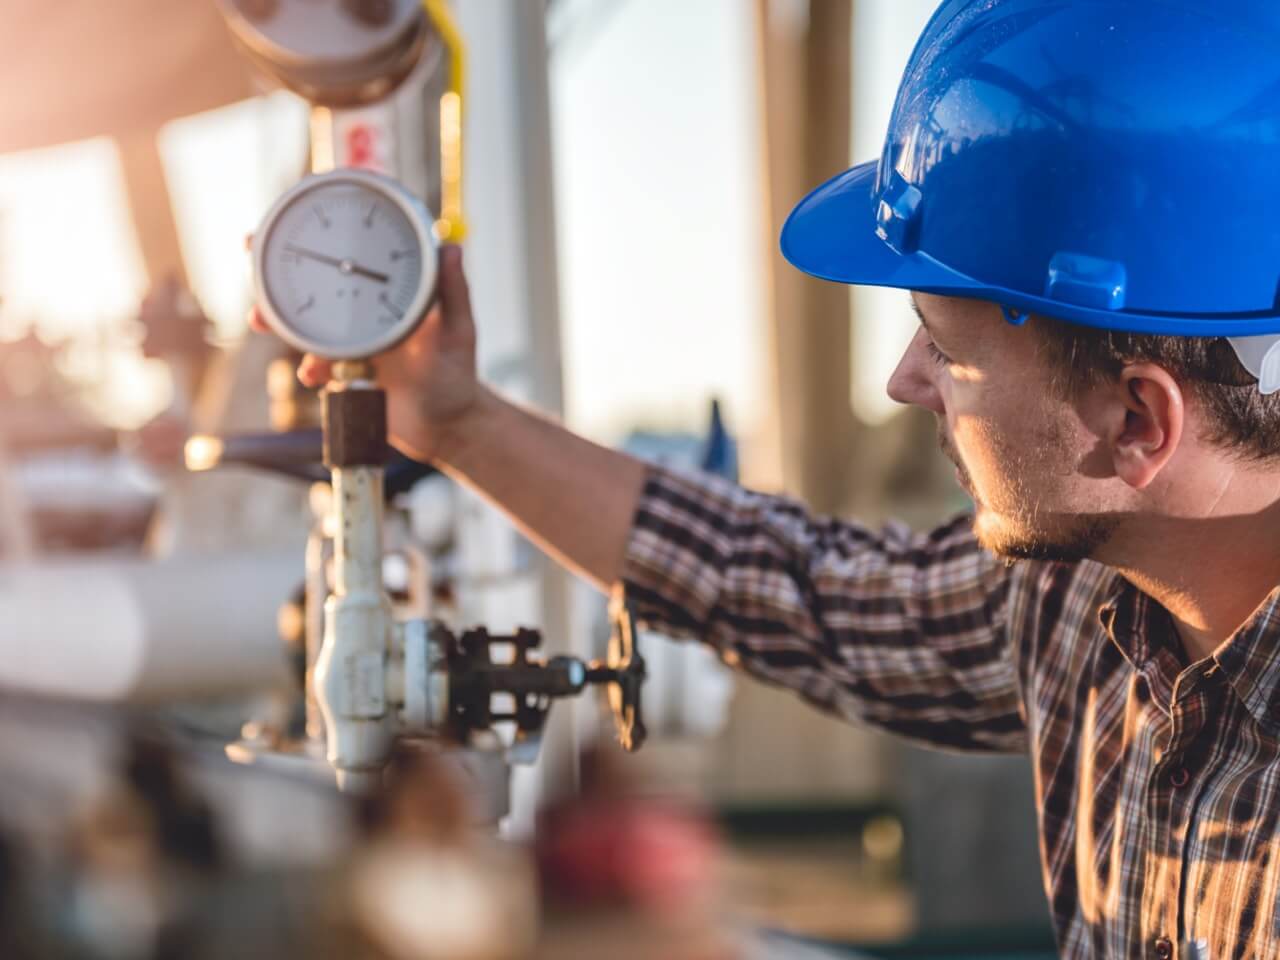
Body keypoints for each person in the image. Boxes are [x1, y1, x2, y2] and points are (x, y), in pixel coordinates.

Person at [254, 2, 1280, 956]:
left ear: (1138, 422)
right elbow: (793, 585)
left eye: (944, 348)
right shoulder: (1085, 600)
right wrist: (455, 421)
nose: (904, 381)